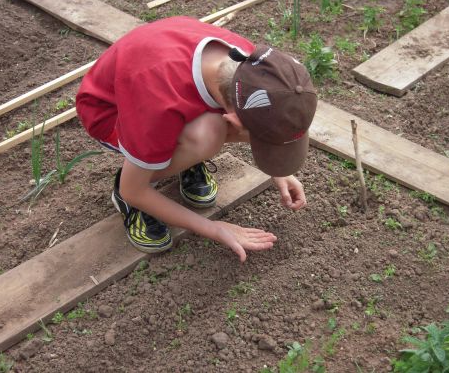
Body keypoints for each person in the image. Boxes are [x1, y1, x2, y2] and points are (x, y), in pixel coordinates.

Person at [76, 16, 317, 263]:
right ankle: (136, 188)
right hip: (109, 112)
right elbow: (133, 189)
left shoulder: (251, 66)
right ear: (233, 120)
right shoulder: (158, 106)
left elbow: (265, 116)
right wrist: (215, 228)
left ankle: (184, 157)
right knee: (207, 136)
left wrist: (278, 170)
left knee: (209, 131)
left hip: (164, 88)